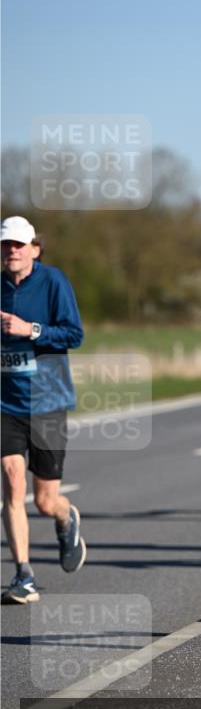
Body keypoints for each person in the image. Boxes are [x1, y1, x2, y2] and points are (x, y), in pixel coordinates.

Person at [1, 216, 85, 604]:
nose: (11, 251)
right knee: (12, 480)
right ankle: (23, 574)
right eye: (5, 245)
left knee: (46, 499)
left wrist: (30, 330)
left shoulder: (53, 282)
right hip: (6, 402)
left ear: (35, 248)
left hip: (48, 402)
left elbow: (74, 334)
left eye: (19, 245)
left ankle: (66, 518)